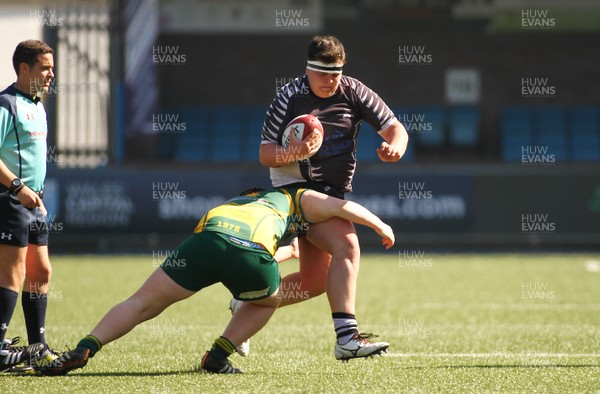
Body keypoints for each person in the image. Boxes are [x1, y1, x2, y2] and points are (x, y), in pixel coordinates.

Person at [39, 187, 394, 375]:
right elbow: (341, 207)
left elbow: (252, 245)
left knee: (142, 302)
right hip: (250, 255)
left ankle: (85, 347)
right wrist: (380, 225)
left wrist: (285, 252)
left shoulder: (243, 202)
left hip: (205, 241)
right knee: (266, 300)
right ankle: (219, 354)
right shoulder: (294, 198)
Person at [232, 35, 409, 356]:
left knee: (314, 280)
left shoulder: (353, 91)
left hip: (332, 191)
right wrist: (294, 152)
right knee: (347, 244)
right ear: (307, 70)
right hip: (294, 194)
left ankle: (248, 302)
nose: (329, 81)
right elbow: (265, 153)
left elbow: (395, 126)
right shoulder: (288, 97)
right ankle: (347, 339)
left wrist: (396, 147)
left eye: (335, 74)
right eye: (322, 73)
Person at [0, 40, 59, 372]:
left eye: (52, 67)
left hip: (33, 202)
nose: (52, 73)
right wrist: (19, 187)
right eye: (46, 67)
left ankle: (37, 348)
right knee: (13, 273)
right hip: (9, 199)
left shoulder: (38, 105)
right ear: (25, 68)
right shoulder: (6, 105)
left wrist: (35, 195)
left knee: (41, 272)